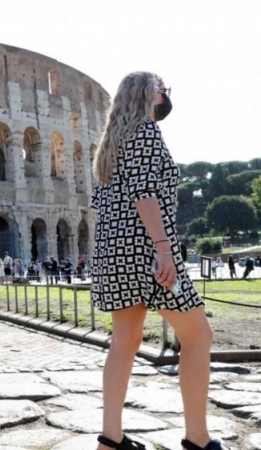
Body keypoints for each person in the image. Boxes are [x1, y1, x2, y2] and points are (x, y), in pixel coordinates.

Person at [91, 72, 218, 450]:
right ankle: (198, 437)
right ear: (149, 93)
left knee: (124, 342)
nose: (167, 95)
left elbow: (103, 204)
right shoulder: (146, 132)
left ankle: (110, 439)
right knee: (198, 337)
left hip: (112, 253)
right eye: (164, 88)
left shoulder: (109, 146)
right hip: (147, 250)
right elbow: (145, 193)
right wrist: (165, 248)